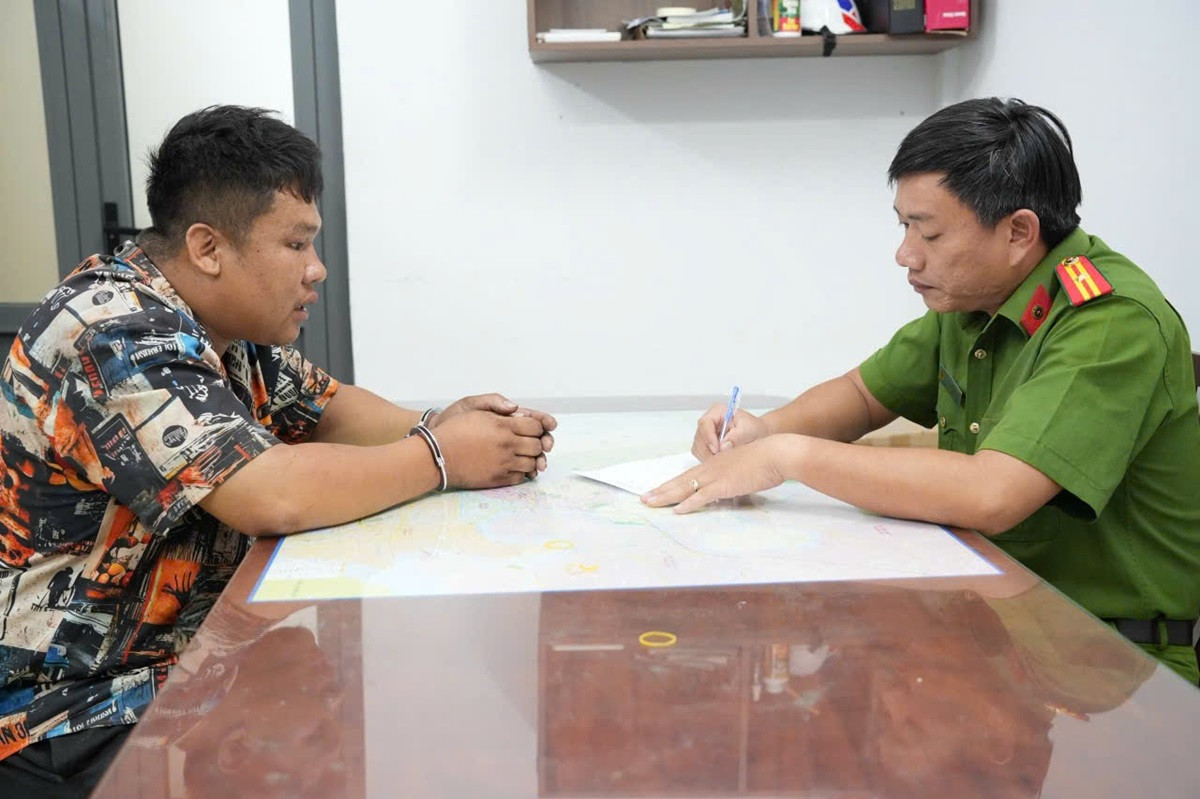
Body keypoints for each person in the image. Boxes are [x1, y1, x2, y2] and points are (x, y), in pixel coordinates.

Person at [0, 105, 556, 797]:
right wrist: (442, 455)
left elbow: (329, 411)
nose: (316, 269)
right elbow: (269, 492)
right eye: (296, 244)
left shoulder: (220, 327)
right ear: (208, 248)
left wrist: (444, 422)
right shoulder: (112, 331)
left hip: (186, 667)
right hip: (77, 710)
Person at [642, 97, 1200, 685]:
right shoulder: (978, 297)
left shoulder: (1110, 323)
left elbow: (992, 493)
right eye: (904, 226)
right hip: (998, 628)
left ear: (1018, 232)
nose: (905, 254)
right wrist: (763, 431)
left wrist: (789, 456)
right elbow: (863, 393)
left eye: (928, 232)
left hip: (1108, 662)